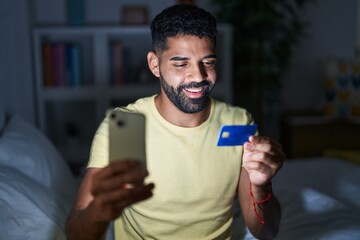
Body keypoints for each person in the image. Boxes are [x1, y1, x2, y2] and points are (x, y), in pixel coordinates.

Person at [66, 4, 285, 240]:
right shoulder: (126, 126)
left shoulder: (238, 121)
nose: (199, 76)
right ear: (154, 65)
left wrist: (262, 185)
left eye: (208, 62)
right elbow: (76, 234)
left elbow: (265, 232)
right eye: (181, 64)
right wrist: (99, 211)